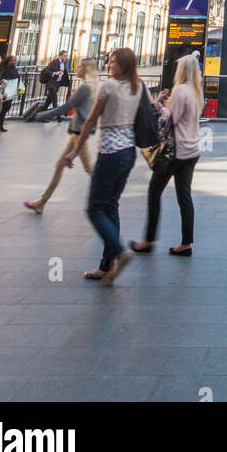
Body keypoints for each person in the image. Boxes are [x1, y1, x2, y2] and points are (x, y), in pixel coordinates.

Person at [65, 47, 143, 284]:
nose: (108, 65)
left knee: (94, 209)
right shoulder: (138, 86)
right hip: (129, 153)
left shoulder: (108, 87)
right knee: (110, 206)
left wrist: (75, 150)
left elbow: (90, 120)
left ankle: (119, 253)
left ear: (122, 65)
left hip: (110, 153)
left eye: (112, 62)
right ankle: (106, 266)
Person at [131, 54, 202, 257]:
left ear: (182, 71)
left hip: (175, 152)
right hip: (192, 150)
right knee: (185, 197)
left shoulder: (181, 90)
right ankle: (186, 242)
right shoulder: (197, 92)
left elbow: (171, 119)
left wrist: (160, 104)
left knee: (154, 192)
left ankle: (148, 240)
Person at [23, 59, 99, 212]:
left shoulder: (85, 87)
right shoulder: (93, 86)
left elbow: (67, 106)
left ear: (85, 69)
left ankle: (110, 196)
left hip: (80, 134)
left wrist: (42, 114)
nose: (75, 68)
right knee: (59, 165)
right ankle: (42, 202)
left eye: (79, 66)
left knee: (90, 170)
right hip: (78, 132)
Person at [0, 55, 20, 132]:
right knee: (5, 108)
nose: (14, 62)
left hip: (11, 91)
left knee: (6, 108)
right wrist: (3, 94)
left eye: (15, 60)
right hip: (6, 92)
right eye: (13, 60)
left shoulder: (13, 69)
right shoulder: (5, 70)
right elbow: (3, 82)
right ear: (9, 62)